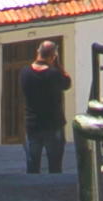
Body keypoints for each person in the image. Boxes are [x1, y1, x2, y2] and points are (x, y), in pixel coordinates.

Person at [19, 41, 71, 173]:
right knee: (55, 167)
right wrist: (57, 64)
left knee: (32, 168)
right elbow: (67, 83)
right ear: (53, 56)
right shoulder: (54, 74)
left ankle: (33, 192)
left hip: (32, 126)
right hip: (52, 126)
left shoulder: (24, 73)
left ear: (38, 52)